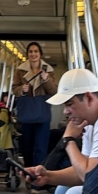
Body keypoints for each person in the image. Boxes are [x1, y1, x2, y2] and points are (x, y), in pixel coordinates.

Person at [14, 42, 58, 178]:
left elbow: (54, 91)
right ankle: (28, 174)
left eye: (36, 51)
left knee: (41, 146)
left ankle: (37, 179)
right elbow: (14, 88)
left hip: (42, 111)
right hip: (28, 112)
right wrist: (22, 89)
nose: (33, 54)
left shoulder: (48, 71)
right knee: (27, 146)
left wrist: (46, 80)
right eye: (31, 52)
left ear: (40, 54)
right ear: (27, 54)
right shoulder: (20, 70)